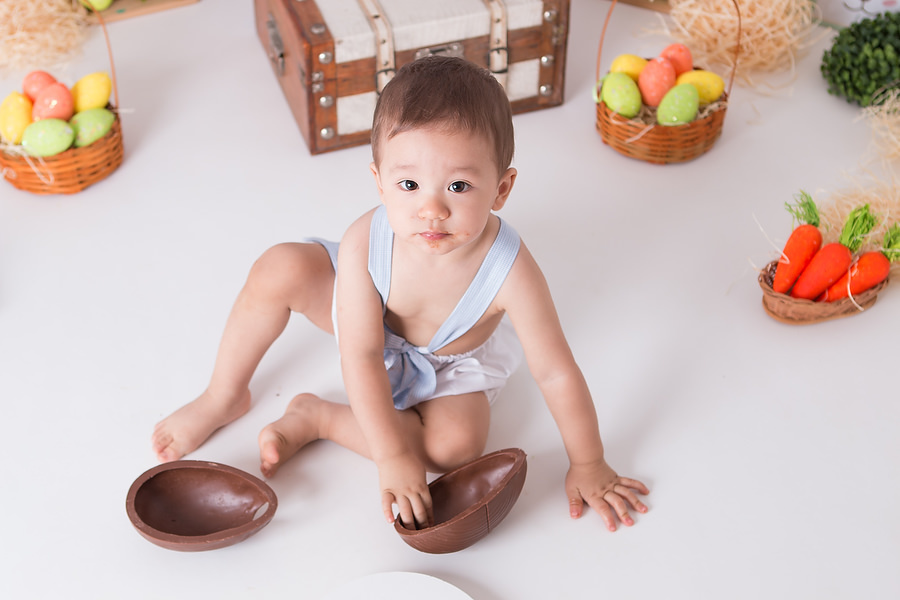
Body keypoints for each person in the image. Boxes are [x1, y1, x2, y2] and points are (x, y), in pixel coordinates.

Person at [152, 55, 649, 532]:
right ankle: (223, 395)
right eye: (409, 184)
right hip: (370, 327)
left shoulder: (510, 269)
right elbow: (362, 354)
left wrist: (589, 462)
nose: (431, 209)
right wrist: (390, 456)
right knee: (278, 268)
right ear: (379, 181)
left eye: (458, 187)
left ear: (501, 189)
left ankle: (321, 418)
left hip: (451, 363)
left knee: (455, 450)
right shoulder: (365, 240)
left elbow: (556, 372)